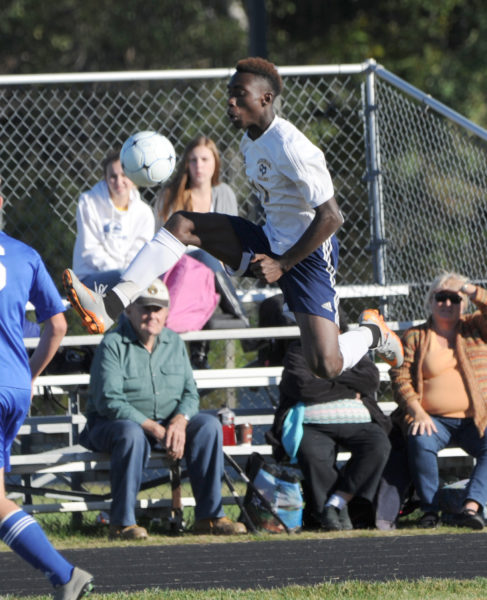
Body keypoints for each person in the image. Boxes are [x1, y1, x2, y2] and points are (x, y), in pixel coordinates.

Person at [63, 56, 403, 380]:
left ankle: (373, 331)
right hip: (270, 241)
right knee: (182, 224)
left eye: (240, 96)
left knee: (325, 365)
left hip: (308, 255)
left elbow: (331, 217)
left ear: (266, 98)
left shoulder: (293, 147)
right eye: (229, 95)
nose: (231, 103)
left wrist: (282, 264)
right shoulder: (249, 142)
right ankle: (109, 305)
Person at [79, 278, 246, 539]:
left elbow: (190, 393)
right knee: (131, 434)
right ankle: (122, 523)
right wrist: (155, 428)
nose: (151, 315)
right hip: (113, 426)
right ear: (129, 310)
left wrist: (180, 420)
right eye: (145, 308)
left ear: (166, 313)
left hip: (166, 425)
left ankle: (210, 517)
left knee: (209, 426)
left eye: (157, 309)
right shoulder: (112, 344)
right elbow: (109, 401)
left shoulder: (174, 343)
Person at [0, 182, 93, 599]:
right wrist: (30, 372)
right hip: (14, 385)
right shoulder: (25, 254)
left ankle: (64, 574)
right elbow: (57, 324)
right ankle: (63, 576)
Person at [266, 309, 391, 531]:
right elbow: (304, 386)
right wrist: (347, 388)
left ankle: (338, 501)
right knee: (312, 454)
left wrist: (323, 376)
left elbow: (370, 380)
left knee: (378, 445)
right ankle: (332, 514)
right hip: (313, 424)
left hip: (358, 420)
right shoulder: (298, 350)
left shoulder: (352, 348)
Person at [390, 272, 487, 530]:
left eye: (454, 298)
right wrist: (417, 412)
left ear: (463, 303)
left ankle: (471, 507)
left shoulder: (476, 328)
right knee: (420, 438)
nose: (447, 304)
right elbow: (399, 379)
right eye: (440, 297)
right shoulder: (415, 336)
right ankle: (430, 511)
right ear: (430, 301)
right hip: (432, 419)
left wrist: (468, 288)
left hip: (476, 418)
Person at [154, 134, 249, 368]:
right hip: (180, 273)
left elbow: (231, 241)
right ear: (186, 163)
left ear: (215, 163)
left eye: (205, 159)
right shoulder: (170, 196)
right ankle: (242, 317)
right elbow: (162, 245)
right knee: (203, 256)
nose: (199, 166)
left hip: (217, 275)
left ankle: (199, 357)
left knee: (207, 260)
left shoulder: (223, 193)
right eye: (194, 160)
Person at [72, 149, 155, 290]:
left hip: (128, 279)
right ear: (105, 177)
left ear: (133, 178)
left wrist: (127, 276)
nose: (119, 181)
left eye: (124, 175)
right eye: (113, 176)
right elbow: (90, 249)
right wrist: (122, 276)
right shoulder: (88, 201)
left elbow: (139, 252)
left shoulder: (144, 213)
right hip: (90, 278)